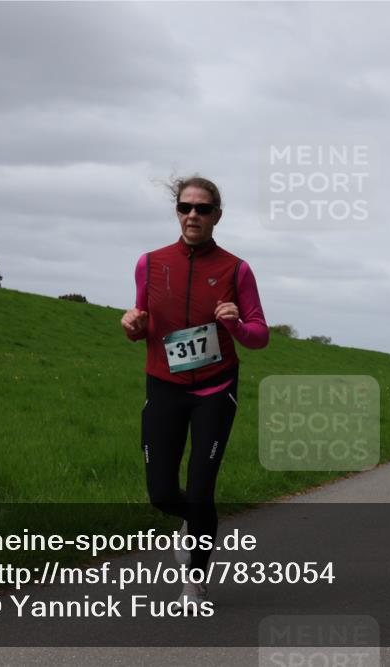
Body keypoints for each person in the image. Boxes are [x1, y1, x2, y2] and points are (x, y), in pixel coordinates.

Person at [121, 176, 269, 610]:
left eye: (202, 209)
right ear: (177, 211)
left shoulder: (236, 269)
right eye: (185, 207)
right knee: (163, 495)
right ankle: (194, 523)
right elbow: (142, 322)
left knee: (201, 493)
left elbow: (260, 336)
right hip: (164, 387)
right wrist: (133, 327)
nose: (192, 215)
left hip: (215, 388)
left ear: (216, 216)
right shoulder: (149, 263)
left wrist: (236, 324)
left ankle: (195, 581)